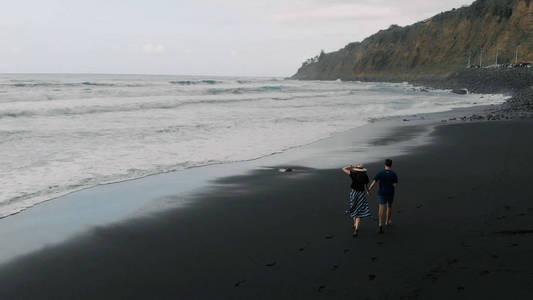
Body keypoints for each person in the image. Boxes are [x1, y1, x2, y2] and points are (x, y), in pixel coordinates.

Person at [368, 159, 398, 234]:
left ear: (385, 165)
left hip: (382, 193)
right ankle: (387, 221)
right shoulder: (393, 174)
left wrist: (369, 189)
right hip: (390, 193)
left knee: (381, 208)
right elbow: (395, 185)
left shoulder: (381, 173)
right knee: (389, 207)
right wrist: (391, 183)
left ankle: (380, 224)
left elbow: (374, 182)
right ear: (391, 165)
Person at [342, 163, 371, 237]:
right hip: (361, 194)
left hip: (354, 193)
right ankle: (356, 228)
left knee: (354, 207)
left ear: (357, 169)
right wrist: (368, 191)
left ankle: (355, 224)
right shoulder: (365, 176)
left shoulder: (353, 174)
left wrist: (352, 166)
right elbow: (366, 186)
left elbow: (344, 169)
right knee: (359, 209)